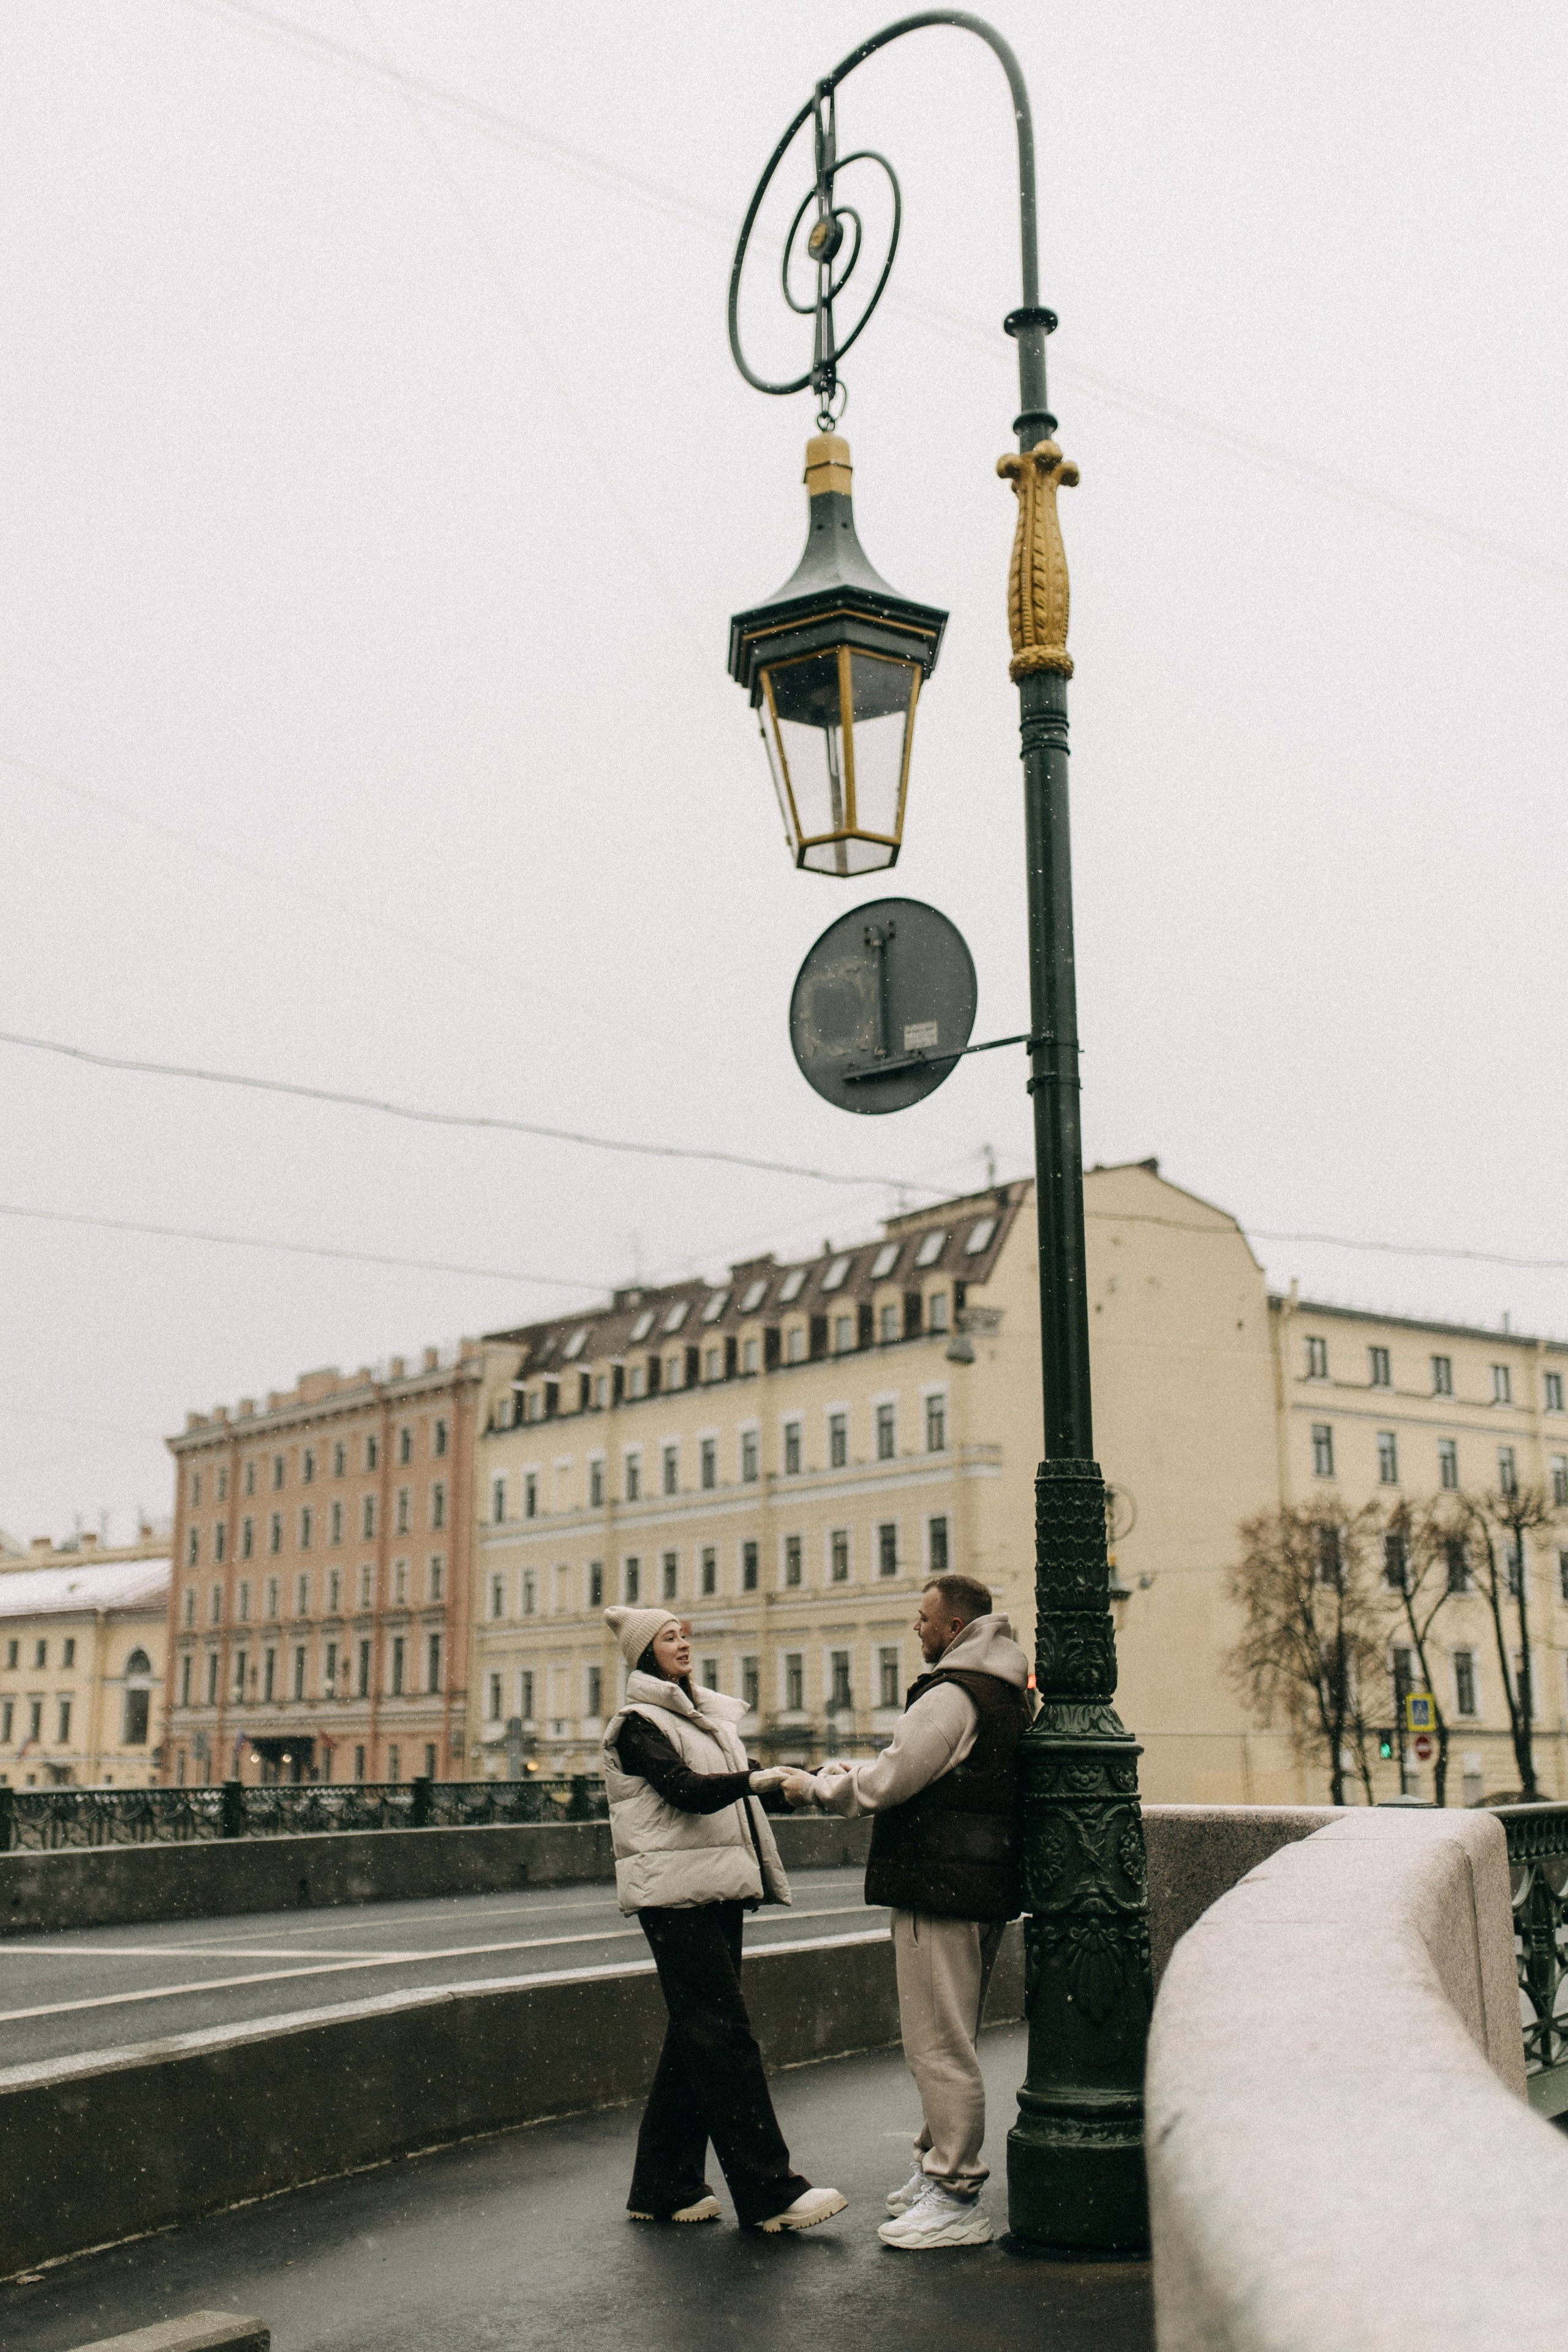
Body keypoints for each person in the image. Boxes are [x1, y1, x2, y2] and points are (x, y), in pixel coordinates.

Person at [781, 1573, 1031, 2250]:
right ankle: (935, 2168)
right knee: (950, 2038)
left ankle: (955, 2193)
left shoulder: (952, 1692)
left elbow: (893, 1780)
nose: (915, 1629)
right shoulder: (1005, 1690)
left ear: (954, 1629)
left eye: (923, 1619)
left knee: (937, 2044)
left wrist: (817, 1787)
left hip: (938, 1883)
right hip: (978, 1878)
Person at [601, 1603, 847, 2234]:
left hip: (714, 1889)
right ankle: (770, 2193)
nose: (683, 1644)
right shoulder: (638, 1724)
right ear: (642, 1653)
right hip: (673, 1896)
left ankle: (663, 2185)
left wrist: (812, 1779)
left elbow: (735, 1800)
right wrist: (762, 1779)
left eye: (685, 1635)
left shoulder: (703, 1718)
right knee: (722, 2036)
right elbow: (685, 1790)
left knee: (696, 2035)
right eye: (667, 1637)